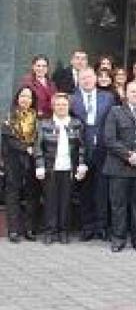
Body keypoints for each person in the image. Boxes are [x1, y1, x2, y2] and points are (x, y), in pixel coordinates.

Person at [103, 81, 136, 253]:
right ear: (126, 94)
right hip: (118, 167)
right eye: (132, 92)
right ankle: (118, 239)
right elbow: (109, 139)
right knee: (118, 206)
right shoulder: (115, 112)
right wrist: (128, 155)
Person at [34, 93, 88, 244]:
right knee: (50, 201)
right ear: (53, 106)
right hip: (50, 168)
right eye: (58, 104)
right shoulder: (44, 124)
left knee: (66, 201)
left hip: (69, 168)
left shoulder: (76, 123)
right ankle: (50, 231)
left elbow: (82, 147)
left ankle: (63, 231)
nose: (61, 107)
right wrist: (39, 165)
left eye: (64, 104)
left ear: (69, 106)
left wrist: (82, 164)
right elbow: (38, 147)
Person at [70, 67, 116, 242]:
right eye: (83, 78)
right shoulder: (72, 99)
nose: (87, 80)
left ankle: (102, 226)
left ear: (95, 79)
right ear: (79, 81)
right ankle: (87, 227)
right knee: (85, 190)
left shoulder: (108, 97)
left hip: (104, 150)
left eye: (89, 77)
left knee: (102, 190)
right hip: (81, 150)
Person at [2, 87, 41, 242]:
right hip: (13, 159)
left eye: (29, 97)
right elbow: (9, 139)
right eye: (23, 96)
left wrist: (33, 150)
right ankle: (13, 230)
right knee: (13, 193)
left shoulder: (37, 119)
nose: (26, 99)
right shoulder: (8, 117)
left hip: (31, 160)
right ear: (17, 98)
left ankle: (30, 229)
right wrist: (26, 148)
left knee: (32, 194)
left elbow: (39, 139)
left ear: (32, 101)